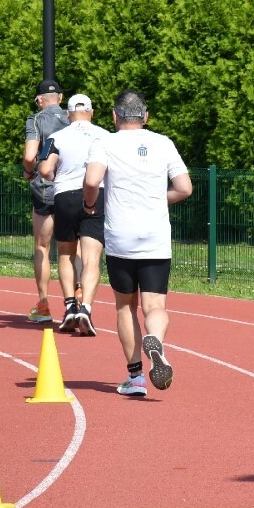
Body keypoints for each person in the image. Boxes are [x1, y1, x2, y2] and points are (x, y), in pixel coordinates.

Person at [83, 89, 193, 396]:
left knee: (125, 306)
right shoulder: (163, 142)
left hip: (121, 236)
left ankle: (135, 378)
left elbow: (92, 181)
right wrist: (160, 198)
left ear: (115, 117)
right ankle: (154, 339)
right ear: (145, 117)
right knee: (155, 304)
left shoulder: (104, 141)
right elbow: (184, 188)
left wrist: (89, 204)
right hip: (155, 236)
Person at [38, 93, 110, 336]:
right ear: (91, 111)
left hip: (65, 196)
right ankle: (86, 308)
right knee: (91, 258)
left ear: (68, 114)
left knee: (67, 254)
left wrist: (55, 178)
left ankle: (70, 306)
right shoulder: (105, 136)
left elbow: (45, 168)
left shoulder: (56, 137)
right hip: (96, 195)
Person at [23, 78, 72, 324]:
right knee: (74, 248)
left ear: (39, 100)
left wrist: (28, 170)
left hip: (45, 188)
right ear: (61, 99)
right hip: (72, 188)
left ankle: (43, 305)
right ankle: (77, 301)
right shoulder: (74, 118)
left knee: (42, 247)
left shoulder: (35, 119)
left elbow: (30, 155)